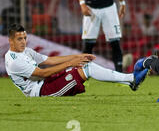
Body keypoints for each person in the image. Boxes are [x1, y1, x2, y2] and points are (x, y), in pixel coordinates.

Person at [4, 24, 148, 97]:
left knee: (86, 65)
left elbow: (49, 60)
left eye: (24, 38)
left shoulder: (26, 51)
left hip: (46, 82)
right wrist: (69, 64)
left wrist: (77, 57)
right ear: (10, 41)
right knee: (87, 69)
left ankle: (131, 80)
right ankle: (131, 79)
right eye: (19, 39)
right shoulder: (14, 60)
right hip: (42, 91)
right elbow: (40, 74)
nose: (23, 42)